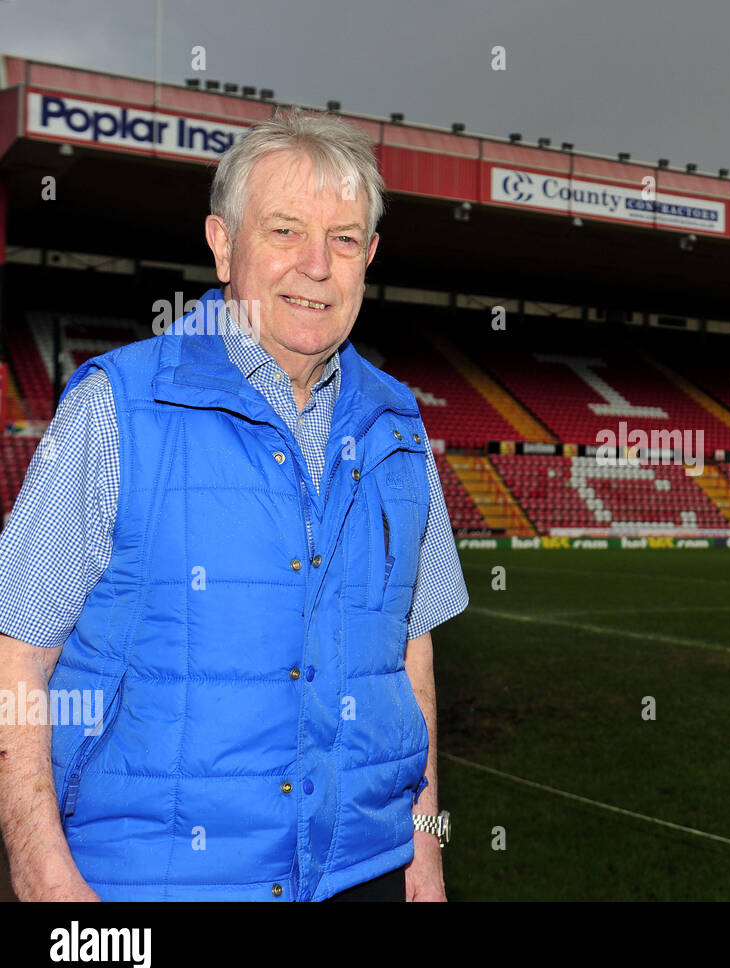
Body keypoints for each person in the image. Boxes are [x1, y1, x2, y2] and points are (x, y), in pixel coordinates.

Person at [0, 108, 468, 901]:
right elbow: (16, 653)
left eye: (345, 239)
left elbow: (407, 656)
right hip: (152, 883)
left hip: (366, 871)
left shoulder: (397, 426)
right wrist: (40, 870)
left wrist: (425, 843)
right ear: (222, 243)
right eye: (285, 230)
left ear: (371, 256)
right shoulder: (118, 407)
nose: (317, 266)